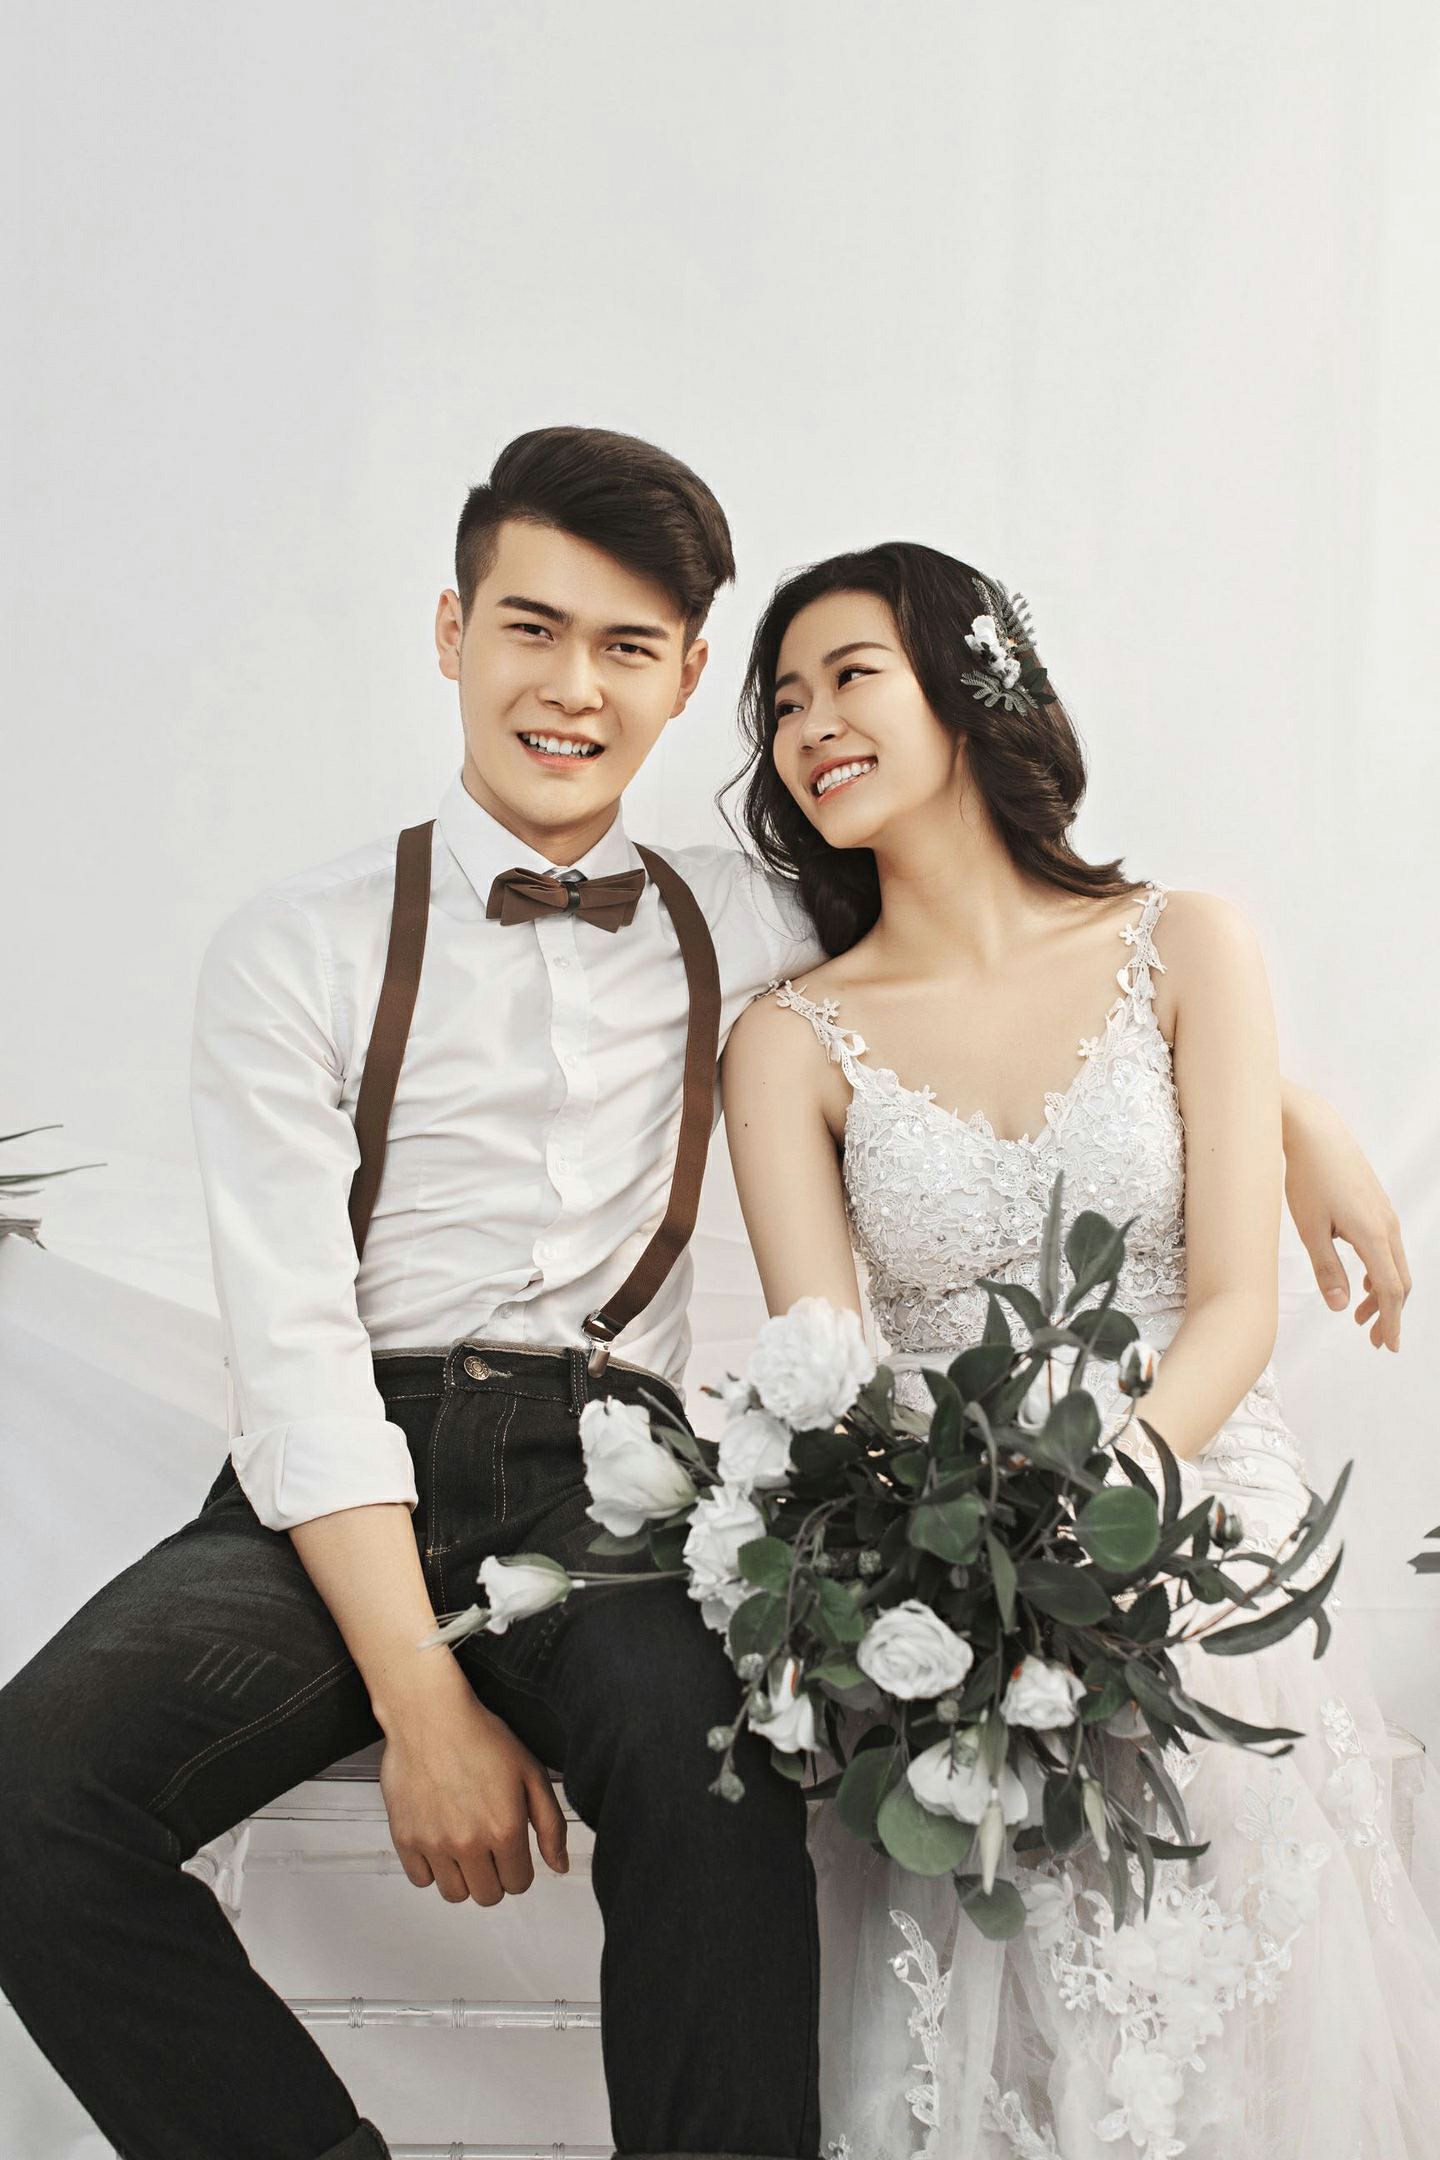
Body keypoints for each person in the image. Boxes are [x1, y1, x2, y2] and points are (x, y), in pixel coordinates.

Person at [0, 435, 1405, 2160]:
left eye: (628, 648)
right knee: (27, 1799)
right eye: (531, 629)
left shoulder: (741, 916)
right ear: (451, 633)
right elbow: (293, 1357)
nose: (571, 687)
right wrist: (423, 1700)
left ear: (678, 682)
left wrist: (1287, 1114)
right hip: (338, 1471)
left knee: (716, 1766)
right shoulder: (292, 946)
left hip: (605, 1484)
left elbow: (1004, 957)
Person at [719, 541, 1436, 2159]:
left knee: (1223, 1744)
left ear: (969, 689)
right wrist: (961, 1556)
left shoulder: (1191, 944)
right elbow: (824, 1370)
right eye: (782, 704)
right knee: (976, 1867)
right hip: (943, 1537)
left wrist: (1098, 1511)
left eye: (850, 676)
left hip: (1198, 1473)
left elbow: (1238, 1306)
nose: (810, 725)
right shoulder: (783, 1039)